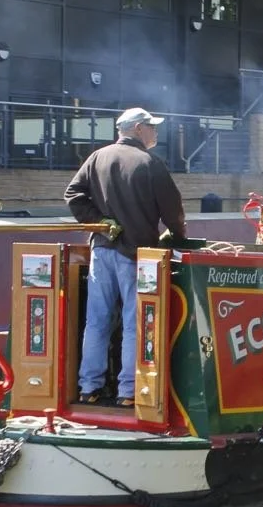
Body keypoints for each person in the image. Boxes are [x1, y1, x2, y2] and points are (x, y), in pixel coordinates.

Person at [64, 107, 187, 406]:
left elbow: (73, 195)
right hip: (136, 254)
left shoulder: (97, 158)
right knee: (136, 322)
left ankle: (88, 388)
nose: (156, 132)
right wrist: (179, 238)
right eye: (152, 127)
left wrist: (100, 223)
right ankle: (128, 391)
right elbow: (173, 211)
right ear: (137, 129)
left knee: (96, 320)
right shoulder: (150, 163)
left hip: (101, 250)